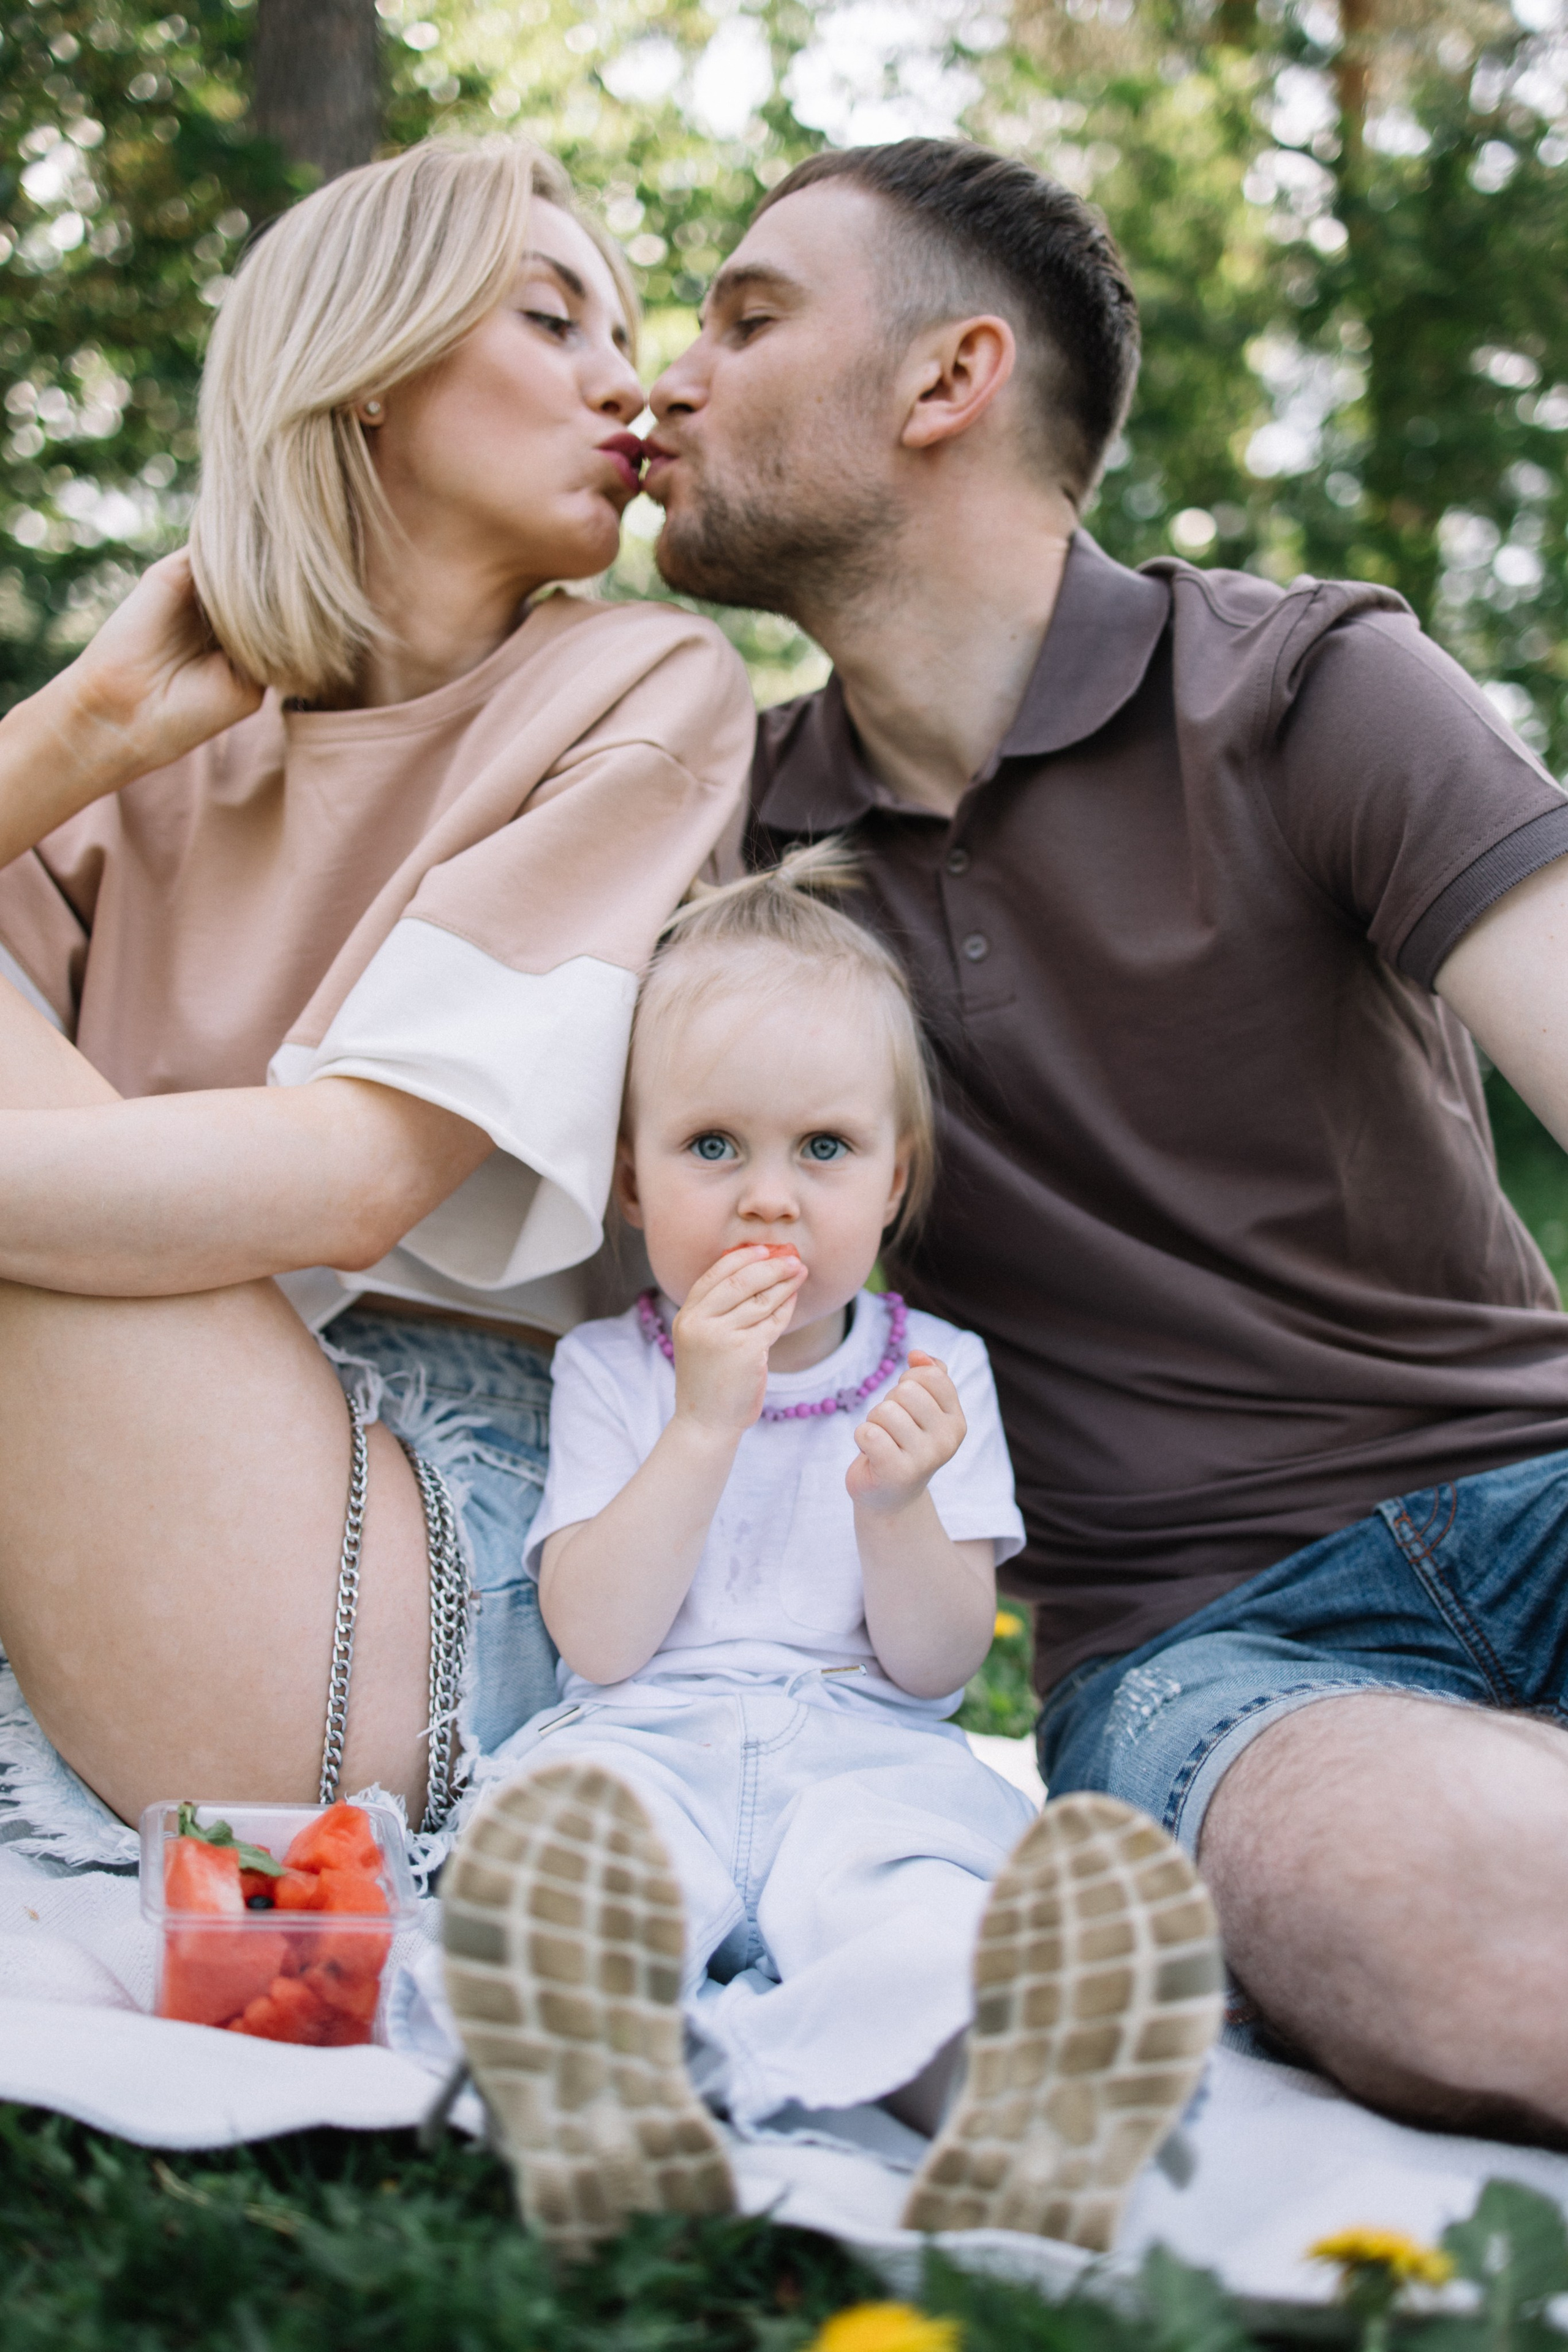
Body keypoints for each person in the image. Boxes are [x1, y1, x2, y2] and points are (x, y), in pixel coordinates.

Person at [638, 136, 1568, 2142]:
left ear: (948, 379)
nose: (670, 379)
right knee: (1451, 1908)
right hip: (1210, 1641)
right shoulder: (725, 865)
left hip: (1544, 1494)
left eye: (746, 316)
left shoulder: (1311, 687)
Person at [0, 135, 755, 1855]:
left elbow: (358, 1177)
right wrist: (81, 739)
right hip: (108, 1489)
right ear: (364, 377)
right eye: (552, 319)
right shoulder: (155, 749)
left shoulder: (643, 684)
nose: (625, 379)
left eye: (615, 329)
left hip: (417, 1521)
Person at [440, 848, 1222, 2255]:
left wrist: (896, 1508)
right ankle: (602, 2075)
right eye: (711, 1147)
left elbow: (930, 1671)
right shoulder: (609, 1370)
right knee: (581, 1884)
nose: (766, 1200)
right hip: (646, 1735)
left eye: (821, 1150)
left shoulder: (941, 1375)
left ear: (891, 1179)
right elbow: (598, 1642)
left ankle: (1009, 2094)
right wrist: (700, 1427)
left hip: (860, 1752)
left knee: (920, 1914)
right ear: (630, 1179)